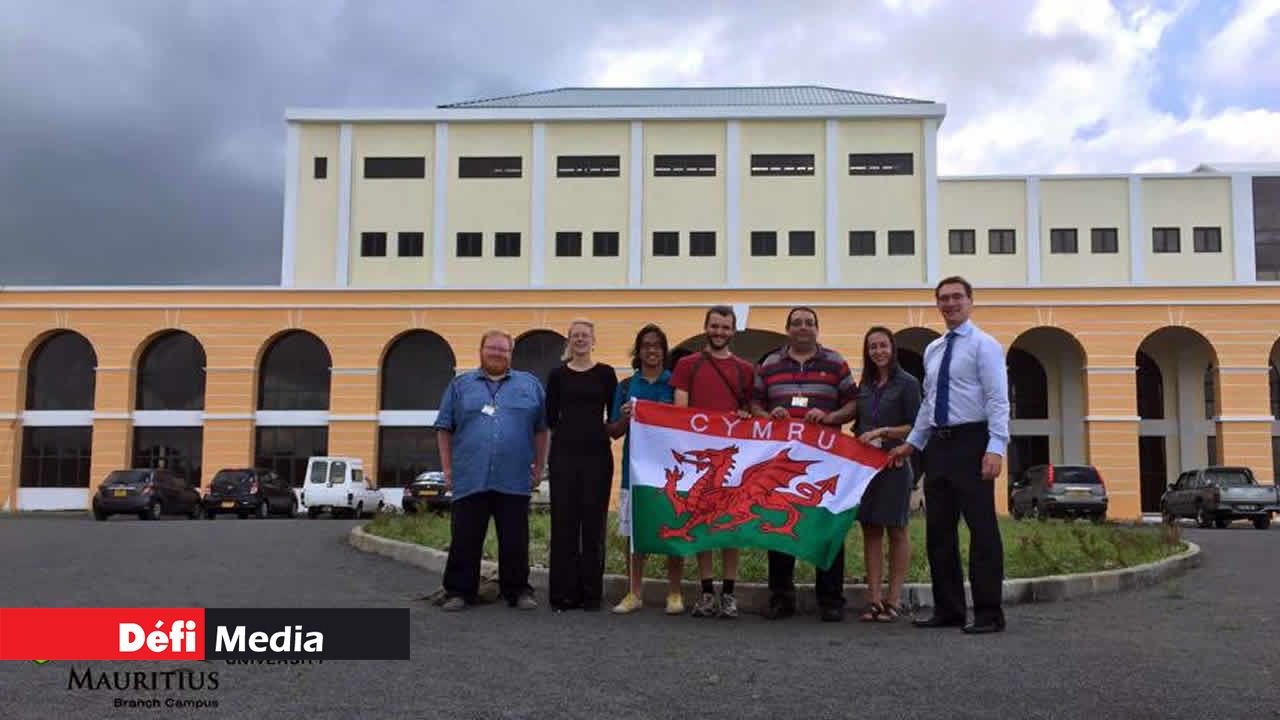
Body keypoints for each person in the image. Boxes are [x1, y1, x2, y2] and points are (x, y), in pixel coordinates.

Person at [888, 276, 1010, 634]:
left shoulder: (985, 345)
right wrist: (913, 442)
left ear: (970, 302)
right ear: (937, 304)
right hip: (938, 447)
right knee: (939, 531)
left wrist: (995, 447)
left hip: (973, 441)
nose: (951, 303)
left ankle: (989, 613)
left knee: (982, 529)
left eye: (957, 297)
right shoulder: (934, 350)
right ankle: (949, 609)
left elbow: (998, 400)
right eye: (944, 298)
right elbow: (928, 404)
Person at [751, 306, 857, 621]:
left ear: (817, 329)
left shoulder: (836, 362)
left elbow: (853, 404)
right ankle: (781, 597)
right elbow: (754, 404)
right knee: (780, 525)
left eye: (809, 323)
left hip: (825, 460)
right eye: (797, 323)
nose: (803, 328)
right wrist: (769, 417)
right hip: (781, 461)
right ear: (788, 329)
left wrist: (830, 418)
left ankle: (831, 599)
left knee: (827, 525)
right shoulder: (769, 364)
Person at [435, 330, 549, 612]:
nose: (498, 354)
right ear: (481, 350)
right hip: (470, 475)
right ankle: (459, 592)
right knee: (465, 537)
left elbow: (542, 430)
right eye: (493, 348)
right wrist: (447, 469)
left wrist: (540, 466)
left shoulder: (530, 385)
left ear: (511, 353)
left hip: (514, 476)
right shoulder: (461, 386)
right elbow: (444, 428)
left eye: (504, 350)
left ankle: (518, 591)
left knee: (515, 538)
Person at [669, 305, 756, 619]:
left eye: (725, 327)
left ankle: (729, 593)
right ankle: (706, 591)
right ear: (706, 327)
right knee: (703, 521)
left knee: (730, 524)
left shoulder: (745, 369)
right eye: (715, 326)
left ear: (733, 331)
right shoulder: (687, 365)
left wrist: (745, 416)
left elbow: (751, 408)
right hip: (701, 458)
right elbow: (680, 411)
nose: (719, 332)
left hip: (732, 456)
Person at [606, 324, 681, 614]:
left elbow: (688, 426)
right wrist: (625, 417)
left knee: (672, 529)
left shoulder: (675, 385)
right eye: (646, 345)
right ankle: (634, 591)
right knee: (635, 534)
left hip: (670, 471)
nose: (651, 350)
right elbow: (612, 431)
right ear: (638, 351)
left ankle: (674, 592)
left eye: (657, 345)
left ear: (664, 351)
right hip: (634, 470)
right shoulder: (625, 386)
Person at [545, 319, 618, 612]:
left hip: (598, 456)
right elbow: (550, 417)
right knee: (563, 524)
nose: (580, 339)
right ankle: (562, 593)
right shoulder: (557, 375)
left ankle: (590, 594)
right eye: (575, 335)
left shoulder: (606, 374)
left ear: (593, 339)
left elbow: (613, 415)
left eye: (585, 335)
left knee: (593, 525)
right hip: (564, 455)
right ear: (568, 341)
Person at [853, 326, 922, 623]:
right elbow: (859, 423)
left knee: (896, 529)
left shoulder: (907, 383)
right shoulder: (865, 384)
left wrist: (885, 433)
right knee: (870, 530)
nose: (878, 351)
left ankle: (893, 600)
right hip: (868, 467)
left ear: (892, 349)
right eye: (872, 347)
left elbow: (917, 425)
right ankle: (873, 600)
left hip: (895, 464)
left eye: (883, 346)